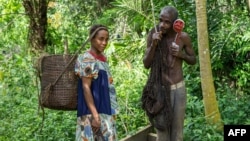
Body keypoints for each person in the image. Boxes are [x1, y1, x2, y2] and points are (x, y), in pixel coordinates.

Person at [141, 6, 196, 141]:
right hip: (159, 90)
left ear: (175, 23)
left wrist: (181, 54)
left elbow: (193, 60)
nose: (162, 25)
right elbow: (146, 64)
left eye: (167, 22)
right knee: (162, 130)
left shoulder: (182, 37)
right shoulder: (154, 33)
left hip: (178, 89)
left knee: (177, 133)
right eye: (160, 20)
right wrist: (153, 45)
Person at [75, 24, 119, 141]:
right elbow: (86, 87)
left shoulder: (103, 59)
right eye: (101, 39)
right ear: (92, 38)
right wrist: (95, 116)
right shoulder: (87, 58)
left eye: (106, 39)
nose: (104, 42)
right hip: (93, 114)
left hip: (105, 111)